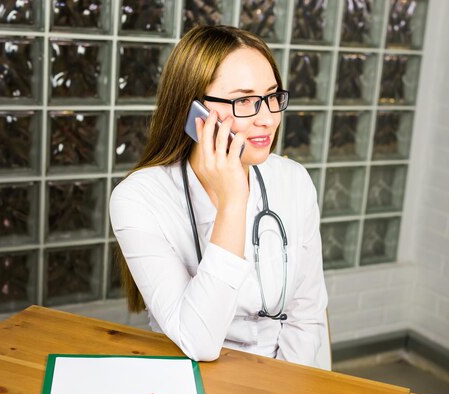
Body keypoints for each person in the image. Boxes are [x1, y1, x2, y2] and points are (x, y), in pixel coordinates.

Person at [109, 25, 329, 369]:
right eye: (244, 101)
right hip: (189, 378)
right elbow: (200, 342)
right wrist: (233, 203)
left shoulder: (293, 180)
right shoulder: (138, 198)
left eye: (272, 96)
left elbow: (308, 314)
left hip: (286, 379)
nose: (268, 118)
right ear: (193, 110)